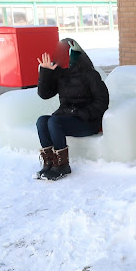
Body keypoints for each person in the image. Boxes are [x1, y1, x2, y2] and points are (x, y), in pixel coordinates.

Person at [34, 38, 109, 180]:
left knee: (54, 122)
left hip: (88, 121)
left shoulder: (90, 75)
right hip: (67, 117)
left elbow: (102, 102)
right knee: (42, 121)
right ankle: (50, 163)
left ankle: (62, 165)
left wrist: (77, 112)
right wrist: (46, 72)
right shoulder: (61, 74)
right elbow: (44, 94)